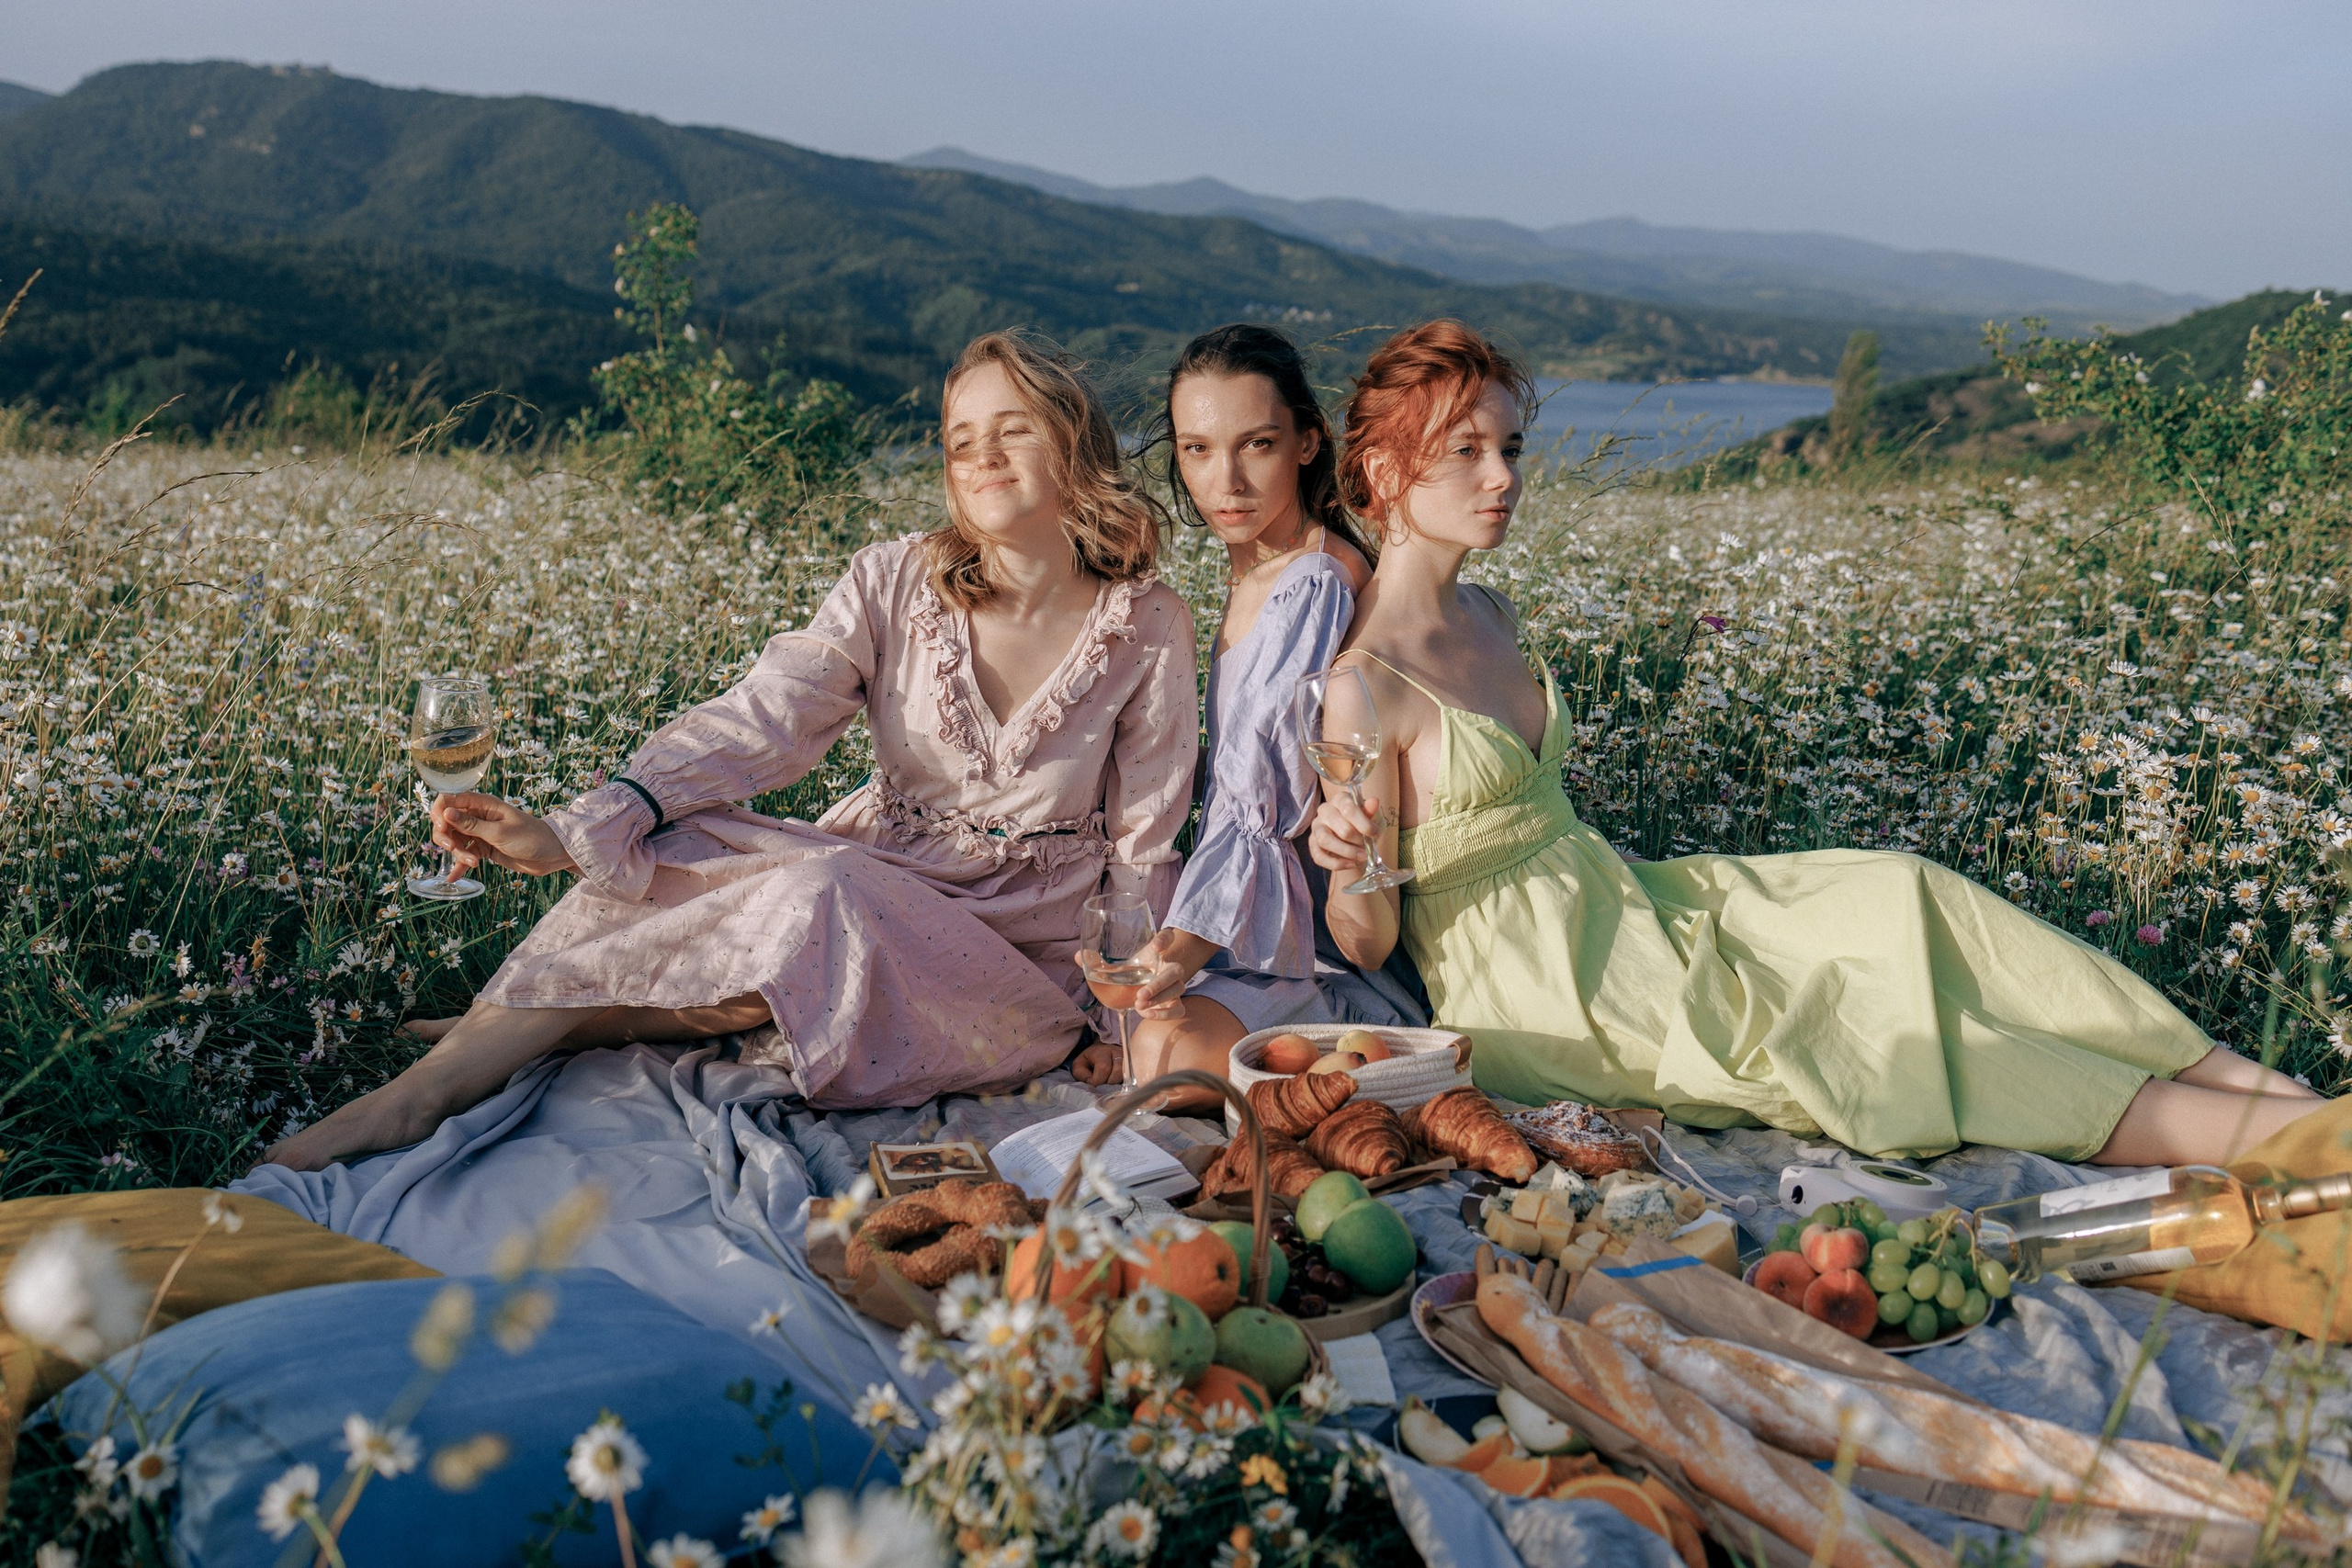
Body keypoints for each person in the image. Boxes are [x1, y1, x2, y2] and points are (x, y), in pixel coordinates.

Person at [1306, 320, 2323, 1167]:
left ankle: (2264, 1087)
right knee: (1860, 1027)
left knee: (1897, 891)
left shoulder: (1492, 611)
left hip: (1627, 901)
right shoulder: (1361, 686)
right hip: (1557, 995)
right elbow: (1372, 945)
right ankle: (2285, 1140)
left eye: (1511, 448)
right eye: (1466, 453)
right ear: (1387, 470)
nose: (1502, 477)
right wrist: (1351, 864)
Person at [265, 332, 1198, 1171]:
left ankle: (551, 1023)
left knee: (815, 894)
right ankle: (434, 1084)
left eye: (1014, 431)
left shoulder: (1148, 623)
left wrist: (1122, 1018)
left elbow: (1144, 843)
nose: (982, 458)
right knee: (683, 846)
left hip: (1014, 961)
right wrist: (577, 829)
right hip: (887, 877)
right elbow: (763, 718)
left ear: (1074, 444)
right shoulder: (892, 579)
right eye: (960, 439)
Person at [1070, 326, 1425, 1111]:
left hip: (1315, 950)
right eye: (1197, 449)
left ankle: (1349, 1055)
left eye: (1255, 444)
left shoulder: (1312, 586)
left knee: (1161, 1061)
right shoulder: (1262, 570)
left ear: (1307, 442)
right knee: (1139, 1042)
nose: (1223, 479)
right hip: (1245, 924)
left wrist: (1176, 954)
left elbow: (1261, 803)